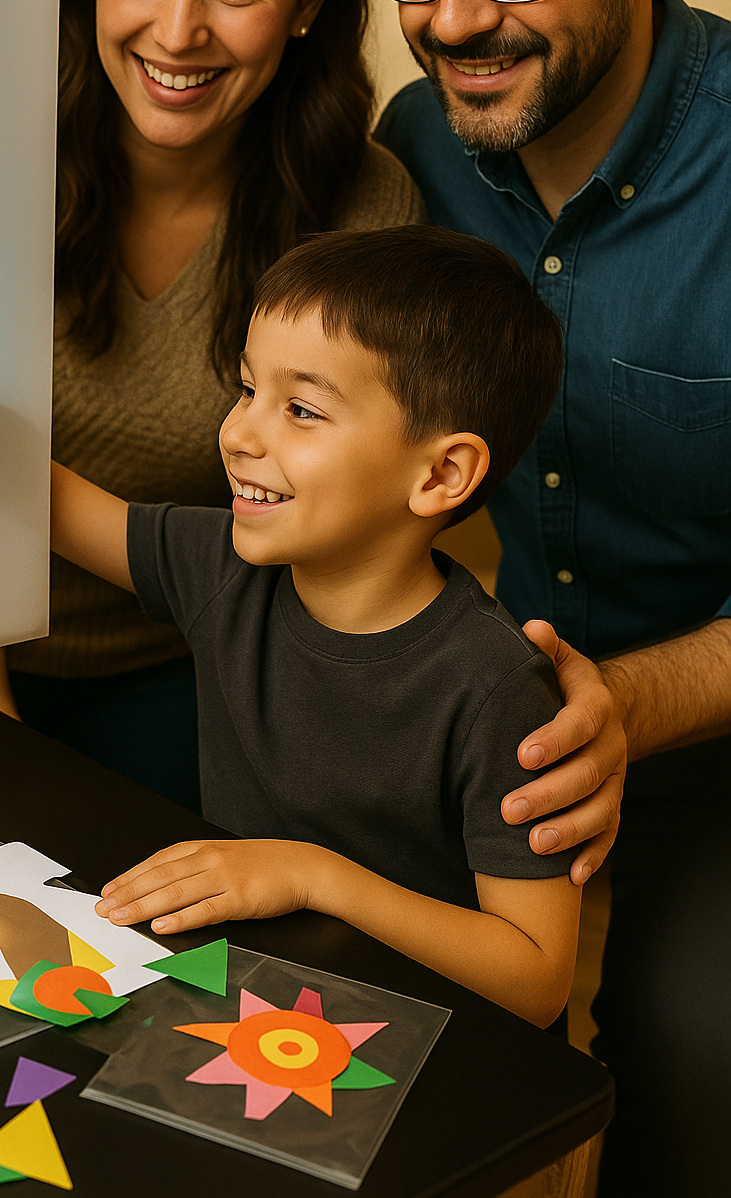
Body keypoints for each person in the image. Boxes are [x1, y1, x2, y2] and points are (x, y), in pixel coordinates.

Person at [370, 0, 731, 1195]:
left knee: (693, 1061)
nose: (454, 14)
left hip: (707, 741)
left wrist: (633, 710)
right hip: (500, 733)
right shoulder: (408, 154)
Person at [0, 0, 419, 810]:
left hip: (190, 669)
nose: (177, 31)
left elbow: (343, 548)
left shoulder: (362, 211)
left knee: (194, 960)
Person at [50, 225, 581, 1029]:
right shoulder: (224, 567)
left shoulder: (501, 689)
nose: (237, 433)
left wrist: (313, 877)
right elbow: (36, 494)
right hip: (249, 1011)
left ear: (441, 473)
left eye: (300, 409)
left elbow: (537, 981)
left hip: (417, 1054)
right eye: (245, 389)